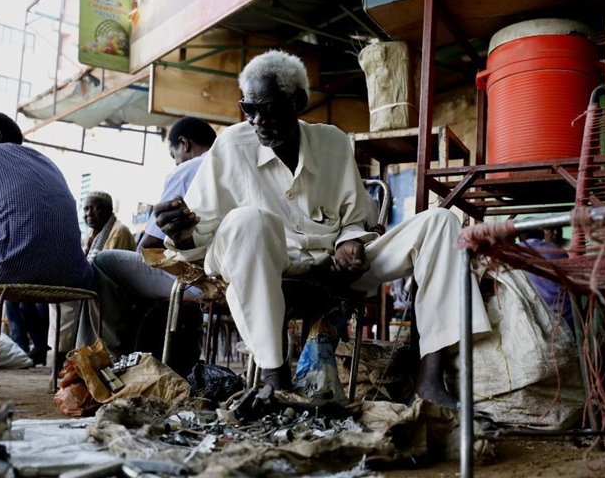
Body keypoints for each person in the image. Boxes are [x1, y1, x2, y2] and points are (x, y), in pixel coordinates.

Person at [154, 50, 490, 408]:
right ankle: (274, 376)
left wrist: (351, 244)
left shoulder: (332, 142)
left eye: (268, 108)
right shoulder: (232, 147)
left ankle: (430, 381)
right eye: (249, 108)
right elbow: (200, 236)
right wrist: (180, 233)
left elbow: (356, 221)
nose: (258, 120)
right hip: (270, 271)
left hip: (333, 273)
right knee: (248, 219)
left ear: (297, 102)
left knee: (441, 222)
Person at [86, 117, 217, 358]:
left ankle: (116, 355)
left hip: (197, 281)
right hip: (230, 277)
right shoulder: (232, 165)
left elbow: (149, 244)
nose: (176, 161)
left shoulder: (190, 169)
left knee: (103, 264)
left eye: (173, 154)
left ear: (184, 144)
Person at [0, 111, 91, 293]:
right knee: (63, 303)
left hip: (4, 267)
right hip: (72, 275)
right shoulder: (47, 163)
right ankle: (67, 324)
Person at [50, 191, 135, 357]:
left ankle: (64, 354)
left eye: (94, 209)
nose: (88, 214)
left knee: (67, 302)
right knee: (59, 296)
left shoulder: (119, 230)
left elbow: (109, 267)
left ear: (108, 210)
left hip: (113, 290)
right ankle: (63, 352)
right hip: (94, 284)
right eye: (86, 209)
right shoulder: (91, 235)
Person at [518, 228, 573, 328]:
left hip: (534, 318)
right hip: (563, 313)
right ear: (542, 234)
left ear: (520, 237)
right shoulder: (558, 252)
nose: (555, 233)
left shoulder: (512, 254)